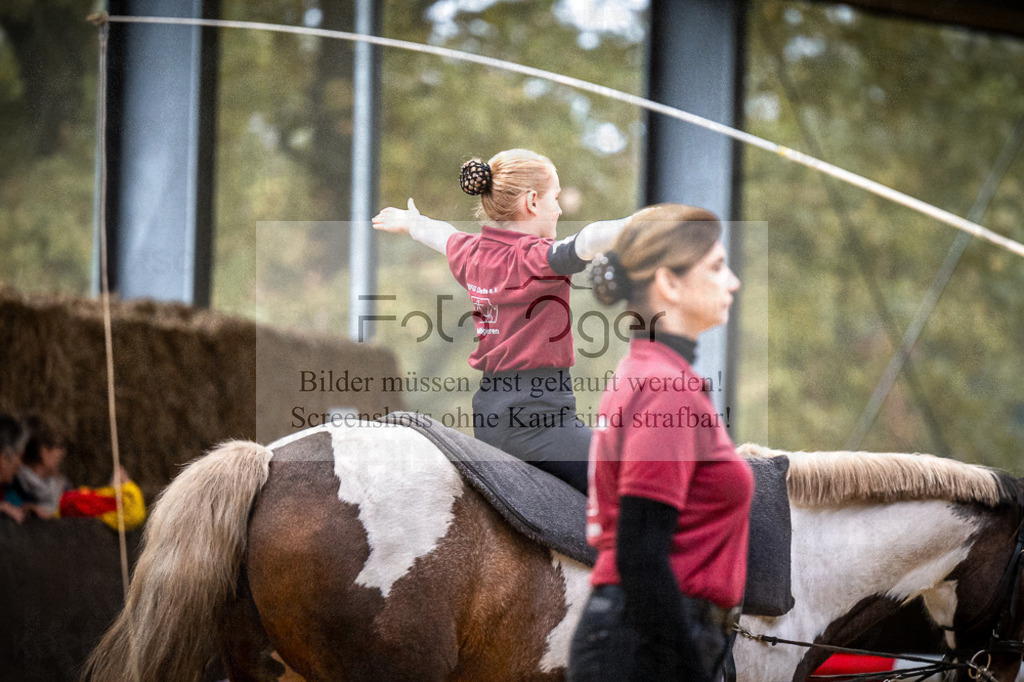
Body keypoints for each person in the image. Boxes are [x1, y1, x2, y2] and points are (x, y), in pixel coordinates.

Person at [567, 204, 753, 681]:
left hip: (645, 636)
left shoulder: (652, 374)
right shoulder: (666, 387)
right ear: (669, 282)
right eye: (716, 267)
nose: (732, 282)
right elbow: (641, 552)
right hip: (646, 644)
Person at [372, 149, 627, 493]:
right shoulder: (536, 258)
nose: (560, 209)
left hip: (492, 416)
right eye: (556, 197)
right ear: (533, 202)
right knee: (635, 476)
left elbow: (442, 235)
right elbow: (588, 240)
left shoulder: (473, 253)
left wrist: (413, 223)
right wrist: (641, 228)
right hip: (541, 420)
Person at [13, 413, 70, 518]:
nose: (64, 453)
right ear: (43, 451)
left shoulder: (63, 487)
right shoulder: (16, 485)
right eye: (60, 447)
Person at [0, 412, 28, 523]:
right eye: (19, 457)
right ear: (3, 458)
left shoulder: (6, 491)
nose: (21, 464)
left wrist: (25, 510)